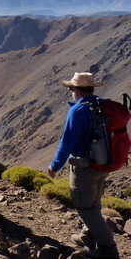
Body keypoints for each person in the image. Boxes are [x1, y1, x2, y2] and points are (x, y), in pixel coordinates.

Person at [48, 72, 120, 259]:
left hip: (84, 168)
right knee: (94, 205)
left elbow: (67, 142)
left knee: (85, 208)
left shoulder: (78, 110)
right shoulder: (100, 105)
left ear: (77, 89)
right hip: (103, 163)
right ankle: (88, 237)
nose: (70, 91)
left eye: (71, 88)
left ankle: (108, 250)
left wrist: (55, 166)